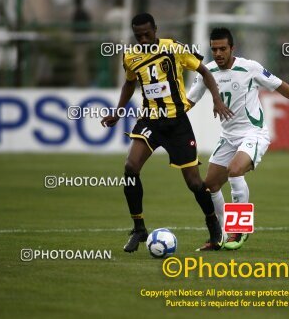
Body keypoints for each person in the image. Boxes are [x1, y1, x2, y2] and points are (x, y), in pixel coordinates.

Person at [100, 13, 234, 253]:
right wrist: (118, 111)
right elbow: (130, 83)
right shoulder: (131, 57)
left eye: (147, 34)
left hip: (177, 124)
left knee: (194, 182)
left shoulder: (173, 48)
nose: (142, 39)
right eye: (138, 35)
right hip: (150, 121)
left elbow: (205, 72)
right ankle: (139, 228)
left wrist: (216, 99)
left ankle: (213, 223)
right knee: (131, 167)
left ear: (155, 29)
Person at [188, 27, 289, 250]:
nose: (218, 53)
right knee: (211, 185)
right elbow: (189, 101)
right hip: (228, 137)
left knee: (235, 170)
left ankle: (240, 229)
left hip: (253, 133)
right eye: (214, 49)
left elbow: (280, 86)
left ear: (232, 48)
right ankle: (221, 234)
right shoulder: (206, 72)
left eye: (222, 49)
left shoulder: (250, 67)